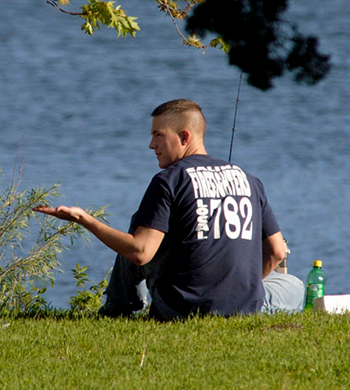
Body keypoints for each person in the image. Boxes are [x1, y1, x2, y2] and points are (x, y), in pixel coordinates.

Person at [34, 99, 304, 321]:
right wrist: (244, 288)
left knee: (139, 227)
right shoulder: (250, 179)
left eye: (157, 136)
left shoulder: (168, 181)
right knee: (294, 286)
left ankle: (120, 308)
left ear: (184, 136)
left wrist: (85, 219)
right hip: (245, 309)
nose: (151, 145)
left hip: (181, 309)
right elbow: (277, 252)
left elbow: (140, 253)